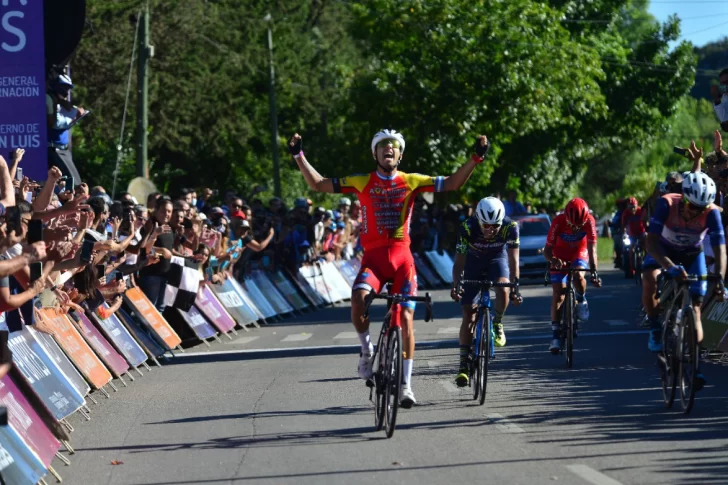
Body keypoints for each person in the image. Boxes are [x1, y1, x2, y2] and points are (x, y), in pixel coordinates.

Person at [288, 128, 490, 408]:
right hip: (373, 260)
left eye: (394, 145)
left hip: (402, 261)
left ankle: (406, 384)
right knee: (358, 299)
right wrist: (299, 155)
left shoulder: (412, 180)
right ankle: (366, 350)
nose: (389, 149)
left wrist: (476, 158)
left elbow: (454, 183)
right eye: (383, 145)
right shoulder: (362, 181)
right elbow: (319, 183)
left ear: (400, 153)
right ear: (375, 153)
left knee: (405, 317)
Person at [643, 143, 726, 374]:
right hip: (663, 248)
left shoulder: (710, 212)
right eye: (691, 206)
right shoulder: (667, 203)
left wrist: (719, 278)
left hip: (692, 253)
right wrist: (668, 266)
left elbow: (721, 249)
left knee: (696, 308)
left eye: (701, 208)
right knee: (649, 277)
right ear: (683, 197)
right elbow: (650, 242)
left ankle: (695, 362)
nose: (695, 212)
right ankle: (655, 327)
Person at [450, 197, 522, 387]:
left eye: (495, 226)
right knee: (468, 314)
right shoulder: (467, 227)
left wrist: (515, 286)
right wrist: (457, 285)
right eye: (486, 226)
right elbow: (458, 263)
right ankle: (463, 366)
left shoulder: (511, 227)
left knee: (503, 288)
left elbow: (514, 262)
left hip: (497, 260)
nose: (490, 230)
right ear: (478, 220)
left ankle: (497, 322)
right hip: (473, 262)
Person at [543, 198, 602, 353]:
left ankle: (581, 298)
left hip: (579, 252)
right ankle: (555, 335)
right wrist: (554, 260)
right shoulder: (557, 222)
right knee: (558, 293)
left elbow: (592, 248)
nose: (575, 228)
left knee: (578, 275)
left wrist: (594, 271)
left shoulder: (590, 221)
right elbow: (547, 251)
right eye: (572, 225)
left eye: (579, 226)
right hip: (559, 253)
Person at [46, 73, 85, 180]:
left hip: (63, 150)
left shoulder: (61, 103)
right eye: (63, 87)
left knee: (75, 181)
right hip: (53, 149)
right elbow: (54, 123)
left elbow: (73, 110)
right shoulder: (49, 99)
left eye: (68, 88)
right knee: (71, 182)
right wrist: (74, 118)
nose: (66, 91)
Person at [620, 197, 646, 275]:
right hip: (632, 234)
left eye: (634, 207)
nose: (632, 209)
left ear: (637, 206)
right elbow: (623, 225)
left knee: (646, 246)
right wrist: (624, 233)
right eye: (630, 207)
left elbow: (646, 221)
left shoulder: (641, 211)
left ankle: (647, 262)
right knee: (631, 250)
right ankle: (632, 268)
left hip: (641, 232)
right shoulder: (626, 213)